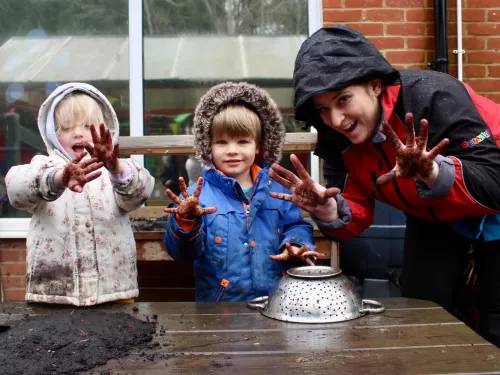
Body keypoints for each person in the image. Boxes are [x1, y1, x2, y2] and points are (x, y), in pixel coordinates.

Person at [268, 25, 500, 347]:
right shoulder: (338, 138)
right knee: (423, 312)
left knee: (494, 316)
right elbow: (354, 206)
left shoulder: (433, 95)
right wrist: (328, 209)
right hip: (432, 213)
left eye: (344, 99)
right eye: (323, 109)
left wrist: (432, 171)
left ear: (375, 85)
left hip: (491, 198)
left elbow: (495, 182)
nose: (336, 120)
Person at [163, 82, 318, 302]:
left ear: (258, 146)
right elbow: (182, 254)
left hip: (276, 305)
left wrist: (295, 244)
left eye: (243, 141)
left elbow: (296, 225)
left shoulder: (279, 192)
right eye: (222, 142)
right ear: (209, 147)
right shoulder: (195, 199)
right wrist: (186, 222)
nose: (232, 150)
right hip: (218, 312)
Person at [5, 82, 155, 306]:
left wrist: (116, 168)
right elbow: (15, 188)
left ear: (105, 131)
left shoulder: (115, 170)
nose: (77, 133)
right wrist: (58, 179)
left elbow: (140, 193)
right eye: (66, 128)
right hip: (54, 292)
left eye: (87, 126)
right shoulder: (45, 166)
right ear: (53, 134)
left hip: (113, 291)